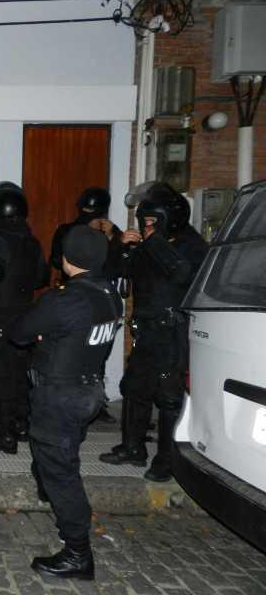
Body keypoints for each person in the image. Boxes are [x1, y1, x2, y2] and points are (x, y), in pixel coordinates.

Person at [11, 225, 124, 580]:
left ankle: (77, 554)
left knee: (62, 474)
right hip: (88, 392)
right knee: (56, 461)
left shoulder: (64, 299)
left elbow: (19, 333)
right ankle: (54, 495)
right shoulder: (110, 294)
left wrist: (43, 332)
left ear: (66, 259)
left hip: (60, 396)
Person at [99, 182, 208, 481]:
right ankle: (132, 448)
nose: (147, 227)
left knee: (169, 397)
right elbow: (115, 272)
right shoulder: (147, 244)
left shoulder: (192, 245)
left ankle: (166, 460)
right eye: (143, 221)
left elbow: (183, 275)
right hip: (146, 331)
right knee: (135, 388)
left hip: (174, 332)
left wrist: (155, 243)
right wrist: (120, 246)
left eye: (152, 221)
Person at [0, 182, 48, 453]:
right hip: (25, 315)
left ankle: (5, 434)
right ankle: (21, 424)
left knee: (1, 375)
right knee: (20, 374)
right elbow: (41, 277)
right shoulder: (31, 240)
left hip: (0, 317)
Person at [50, 186, 122, 424]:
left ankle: (96, 403)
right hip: (75, 296)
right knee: (69, 350)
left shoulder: (110, 231)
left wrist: (112, 238)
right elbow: (56, 260)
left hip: (100, 297)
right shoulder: (67, 230)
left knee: (97, 353)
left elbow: (120, 265)